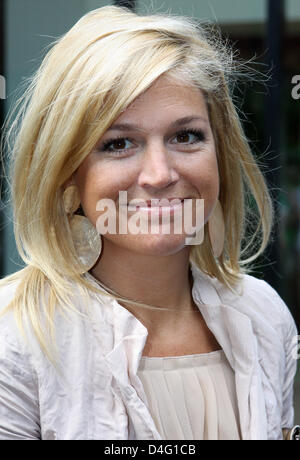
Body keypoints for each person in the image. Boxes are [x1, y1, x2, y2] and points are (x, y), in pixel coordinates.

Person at [0, 5, 298, 441]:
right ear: (68, 171)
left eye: (185, 136)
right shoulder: (14, 337)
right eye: (119, 143)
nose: (159, 174)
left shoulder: (263, 314)